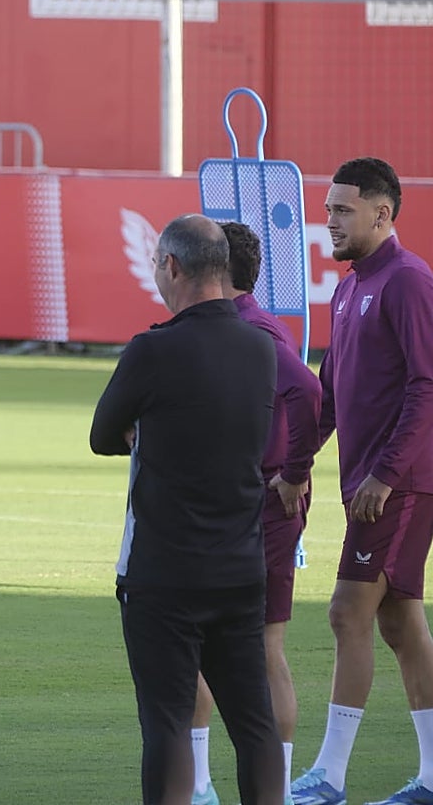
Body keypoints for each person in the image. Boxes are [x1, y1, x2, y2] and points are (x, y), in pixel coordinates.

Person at [90, 214, 284, 805]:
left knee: (169, 723)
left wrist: (146, 430)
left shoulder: (153, 349)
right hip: (240, 567)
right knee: (254, 724)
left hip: (164, 572)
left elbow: (102, 433)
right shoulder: (261, 348)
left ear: (171, 266)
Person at [290, 158, 433, 805]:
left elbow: (426, 386)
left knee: (348, 613)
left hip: (399, 486)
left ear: (383, 213)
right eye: (327, 211)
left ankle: (330, 777)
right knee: (400, 624)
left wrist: (384, 472)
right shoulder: (350, 287)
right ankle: (431, 777)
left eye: (343, 210)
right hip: (370, 484)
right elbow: (331, 390)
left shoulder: (407, 281)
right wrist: (297, 467)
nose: (330, 222)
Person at [188, 222, 322, 805]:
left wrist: (294, 471)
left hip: (259, 508)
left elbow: (309, 394)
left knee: (246, 647)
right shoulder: (249, 322)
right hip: (241, 504)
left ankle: (249, 789)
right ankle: (208, 785)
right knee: (218, 645)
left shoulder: (250, 327)